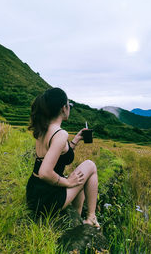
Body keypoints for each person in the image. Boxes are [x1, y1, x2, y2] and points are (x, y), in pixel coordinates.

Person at [26, 87, 100, 228]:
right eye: (69, 105)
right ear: (63, 108)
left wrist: (75, 141)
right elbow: (45, 172)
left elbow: (57, 154)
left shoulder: (44, 128)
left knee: (77, 176)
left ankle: (77, 217)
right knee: (90, 165)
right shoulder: (60, 134)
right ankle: (91, 217)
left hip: (34, 193)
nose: (69, 108)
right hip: (47, 198)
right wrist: (66, 182)